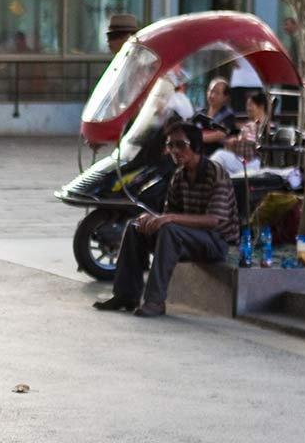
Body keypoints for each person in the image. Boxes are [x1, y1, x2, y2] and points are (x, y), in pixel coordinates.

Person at [93, 119, 239, 318]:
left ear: (196, 146)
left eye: (181, 145)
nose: (175, 151)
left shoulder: (216, 173)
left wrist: (167, 218)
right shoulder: (178, 176)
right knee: (135, 227)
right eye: (171, 145)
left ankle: (155, 301)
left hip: (216, 242)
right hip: (188, 237)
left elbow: (213, 221)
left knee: (170, 230)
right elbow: (170, 216)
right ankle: (125, 296)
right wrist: (151, 218)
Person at [211, 90, 270, 177]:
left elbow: (256, 144)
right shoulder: (249, 124)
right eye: (247, 105)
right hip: (240, 160)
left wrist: (239, 141)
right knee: (219, 158)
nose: (248, 108)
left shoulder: (266, 126)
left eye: (250, 105)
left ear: (261, 106)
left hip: (253, 163)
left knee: (220, 156)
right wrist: (234, 141)